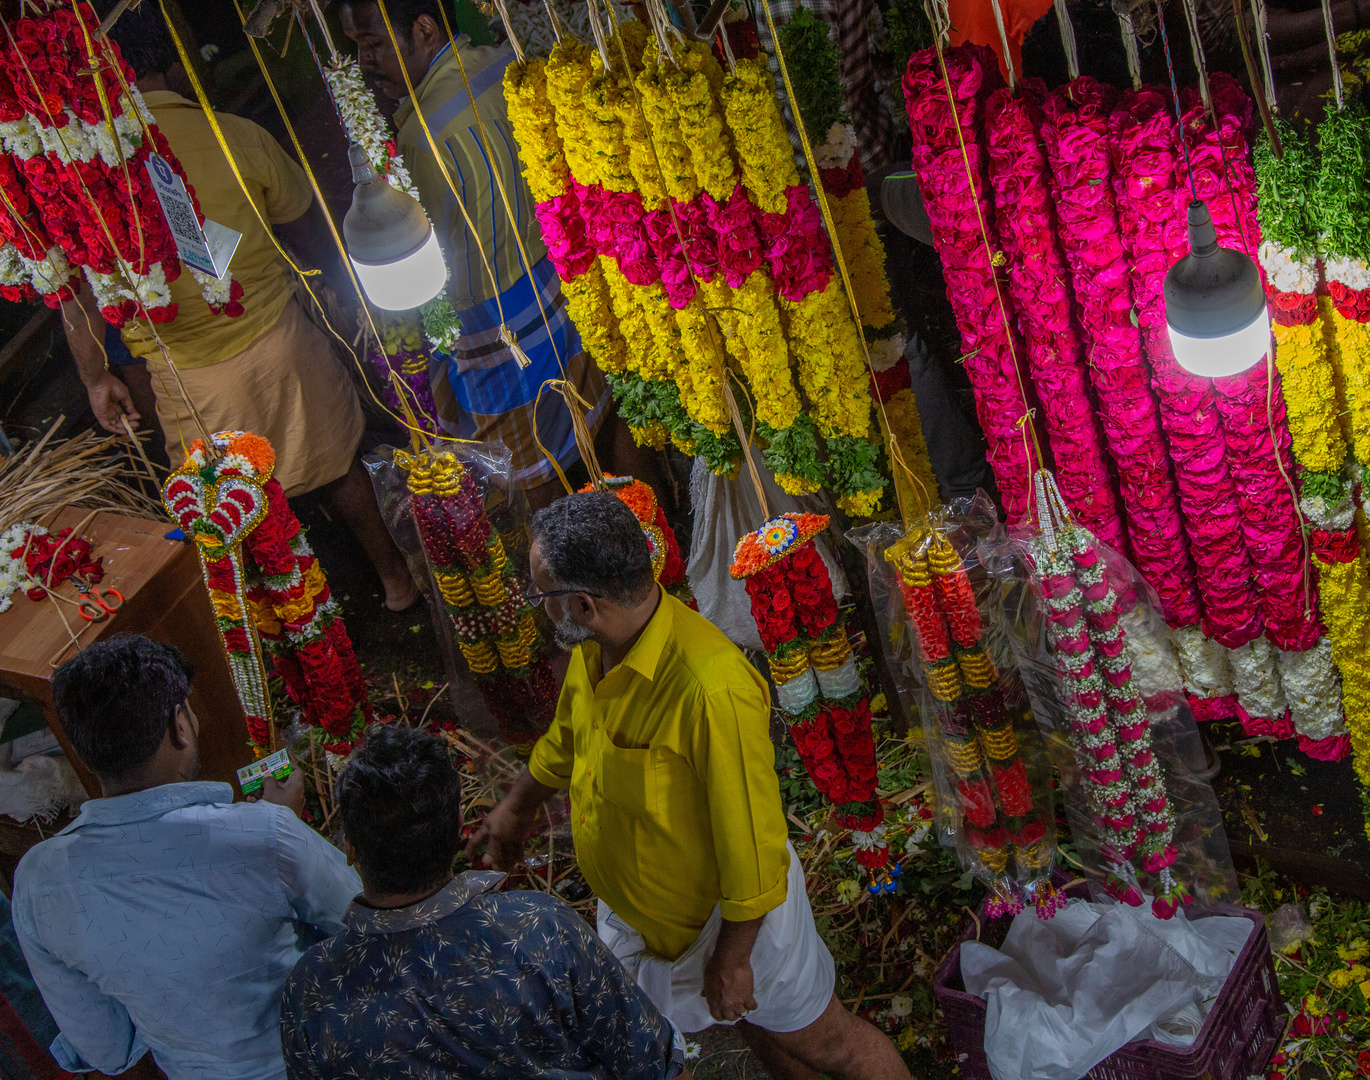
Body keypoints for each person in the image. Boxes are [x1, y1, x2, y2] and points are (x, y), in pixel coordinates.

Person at [467, 492, 912, 1080]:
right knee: (760, 1033)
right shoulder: (598, 649)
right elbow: (570, 737)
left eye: (541, 595)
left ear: (582, 604)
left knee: (831, 1046)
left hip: (733, 930)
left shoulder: (710, 690)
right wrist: (516, 809)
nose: (535, 606)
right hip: (656, 924)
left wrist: (732, 958)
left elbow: (754, 844)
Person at [63, 5, 416, 610]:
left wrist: (97, 378)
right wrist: (346, 293)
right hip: (282, 345)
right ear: (174, 69)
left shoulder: (91, 183)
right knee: (340, 471)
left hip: (189, 382)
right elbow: (306, 230)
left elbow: (75, 292)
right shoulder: (233, 135)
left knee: (234, 512)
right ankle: (395, 583)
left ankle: (289, 628)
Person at [9, 634, 360, 1080]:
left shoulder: (39, 882)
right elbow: (366, 922)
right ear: (179, 725)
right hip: (326, 1059)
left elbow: (108, 1049)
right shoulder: (264, 835)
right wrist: (286, 831)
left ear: (81, 748)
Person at [280, 723, 691, 1080]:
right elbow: (656, 1064)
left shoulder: (313, 989)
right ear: (459, 828)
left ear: (350, 847)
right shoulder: (538, 929)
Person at [336, 0, 610, 503]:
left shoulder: (422, 137)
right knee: (592, 420)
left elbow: (432, 261)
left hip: (497, 320)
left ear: (424, 29)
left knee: (528, 470)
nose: (365, 62)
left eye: (372, 44)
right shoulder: (502, 64)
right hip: (560, 277)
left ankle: (569, 564)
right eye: (358, 47)